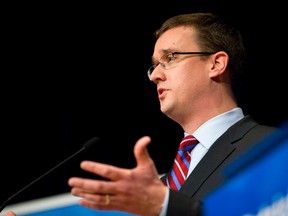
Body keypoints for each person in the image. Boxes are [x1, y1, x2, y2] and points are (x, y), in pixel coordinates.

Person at [5, 12, 278, 216]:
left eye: (170, 58)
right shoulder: (162, 184)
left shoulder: (273, 150)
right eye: (154, 66)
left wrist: (165, 206)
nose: (155, 75)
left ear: (216, 64)